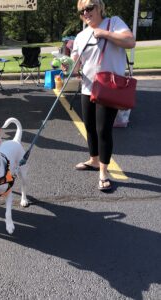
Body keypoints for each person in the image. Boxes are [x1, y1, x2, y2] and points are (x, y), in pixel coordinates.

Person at [69, 0, 135, 191]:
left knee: (103, 130)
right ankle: (94, 160)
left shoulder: (114, 23)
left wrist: (104, 34)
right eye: (82, 11)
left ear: (100, 7)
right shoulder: (81, 36)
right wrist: (70, 65)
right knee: (89, 127)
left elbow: (130, 42)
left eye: (89, 8)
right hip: (88, 87)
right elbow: (77, 64)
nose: (86, 13)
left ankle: (104, 172)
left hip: (110, 88)